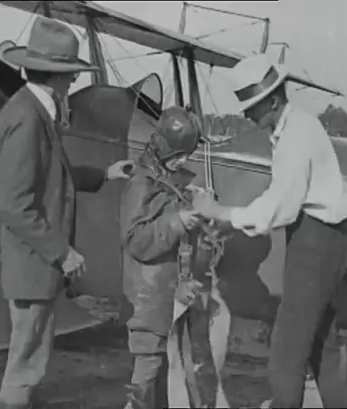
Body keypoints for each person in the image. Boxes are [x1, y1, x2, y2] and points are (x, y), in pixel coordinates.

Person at [192, 54, 347, 408]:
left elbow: (278, 208)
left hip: (315, 241)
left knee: (286, 351)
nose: (247, 115)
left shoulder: (294, 138)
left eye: (251, 106)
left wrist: (219, 212)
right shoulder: (301, 125)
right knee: (322, 341)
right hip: (329, 238)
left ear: (274, 100)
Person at [0, 16, 133, 409]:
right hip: (35, 268)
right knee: (25, 369)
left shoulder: (35, 110)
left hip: (36, 268)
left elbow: (55, 175)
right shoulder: (27, 119)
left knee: (28, 364)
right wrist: (63, 252)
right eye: (70, 74)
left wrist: (104, 173)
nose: (73, 82)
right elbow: (13, 204)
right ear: (55, 76)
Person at [119, 106, 209, 409]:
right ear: (165, 149)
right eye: (182, 154)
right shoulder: (141, 184)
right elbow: (134, 239)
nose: (186, 161)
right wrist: (177, 221)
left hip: (161, 294)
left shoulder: (163, 180)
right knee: (145, 377)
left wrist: (189, 199)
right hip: (146, 298)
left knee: (157, 378)